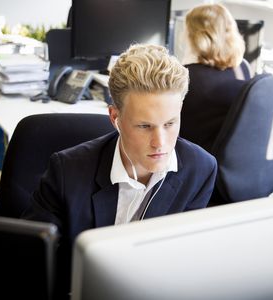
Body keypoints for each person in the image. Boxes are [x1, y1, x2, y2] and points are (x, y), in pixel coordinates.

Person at [22, 43, 217, 298]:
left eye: (170, 123)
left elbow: (184, 260)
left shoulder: (200, 169)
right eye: (145, 126)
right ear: (115, 118)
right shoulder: (67, 172)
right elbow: (30, 263)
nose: (160, 142)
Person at [179, 3, 248, 154]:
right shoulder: (242, 68)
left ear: (193, 35)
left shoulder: (187, 76)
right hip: (228, 157)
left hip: (196, 158)